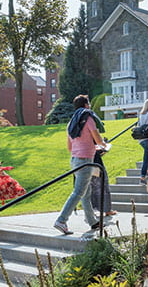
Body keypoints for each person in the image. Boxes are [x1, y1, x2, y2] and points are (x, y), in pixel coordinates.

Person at [54, 95, 107, 235]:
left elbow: (70, 147)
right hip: (85, 161)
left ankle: (93, 221)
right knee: (78, 192)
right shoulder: (88, 119)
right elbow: (98, 139)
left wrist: (91, 148)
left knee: (85, 193)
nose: (89, 106)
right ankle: (61, 220)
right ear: (86, 105)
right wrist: (104, 145)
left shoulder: (72, 122)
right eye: (88, 103)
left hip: (75, 160)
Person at [90, 149, 117, 217]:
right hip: (96, 164)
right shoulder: (90, 139)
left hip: (87, 163)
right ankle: (107, 210)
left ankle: (94, 209)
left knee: (92, 188)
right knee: (103, 187)